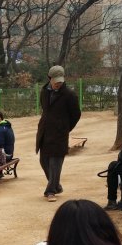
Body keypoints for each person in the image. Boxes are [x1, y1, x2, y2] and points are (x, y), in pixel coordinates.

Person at [36, 65, 81, 203]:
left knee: (55, 163)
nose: (58, 84)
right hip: (44, 131)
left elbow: (76, 114)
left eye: (60, 81)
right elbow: (45, 109)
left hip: (59, 134)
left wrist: (65, 127)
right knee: (44, 161)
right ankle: (56, 185)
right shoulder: (44, 91)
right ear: (49, 78)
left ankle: (50, 191)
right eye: (56, 81)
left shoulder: (69, 95)